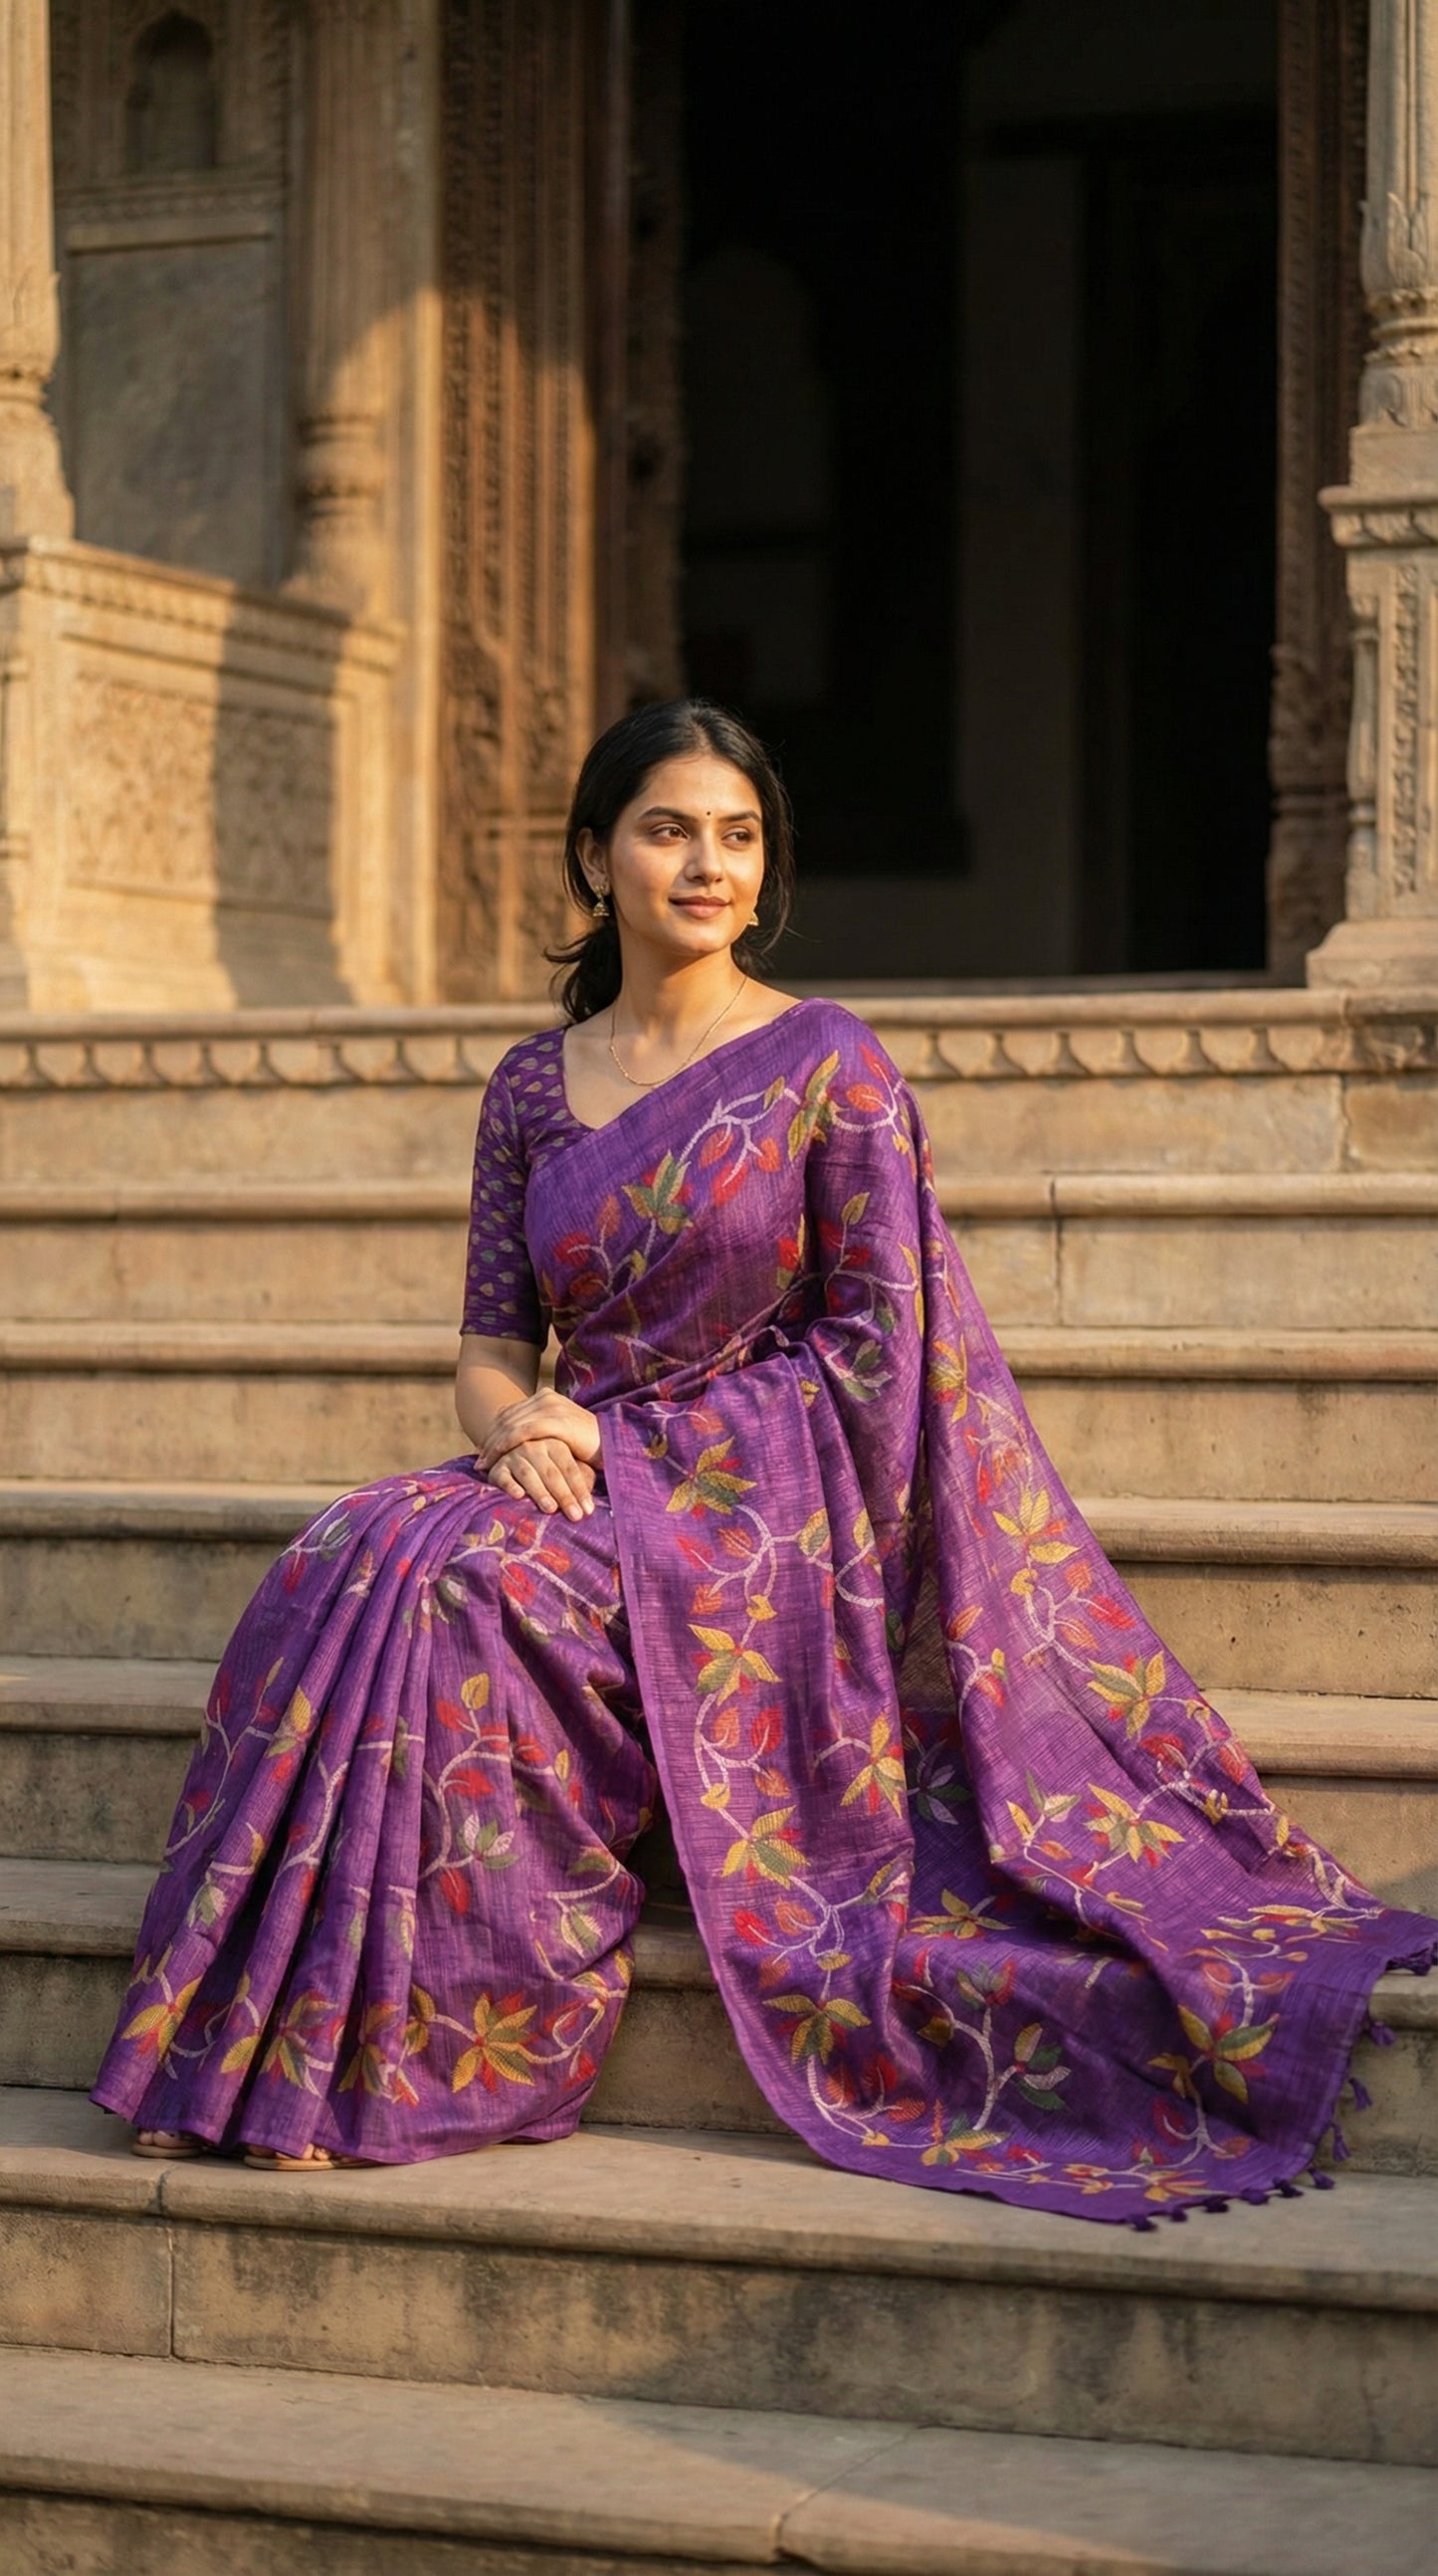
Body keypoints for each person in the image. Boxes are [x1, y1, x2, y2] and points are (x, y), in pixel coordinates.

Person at [94, 698, 1436, 2221]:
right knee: (353, 1552)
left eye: (736, 836)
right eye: (668, 830)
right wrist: (520, 1421)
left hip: (752, 1518)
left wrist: (617, 1435)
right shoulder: (532, 1090)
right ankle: (250, 2036)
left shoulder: (825, 1063)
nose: (706, 864)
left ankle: (429, 2054)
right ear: (595, 857)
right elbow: (486, 1345)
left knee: (467, 1592)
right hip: (567, 1472)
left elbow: (875, 1356)